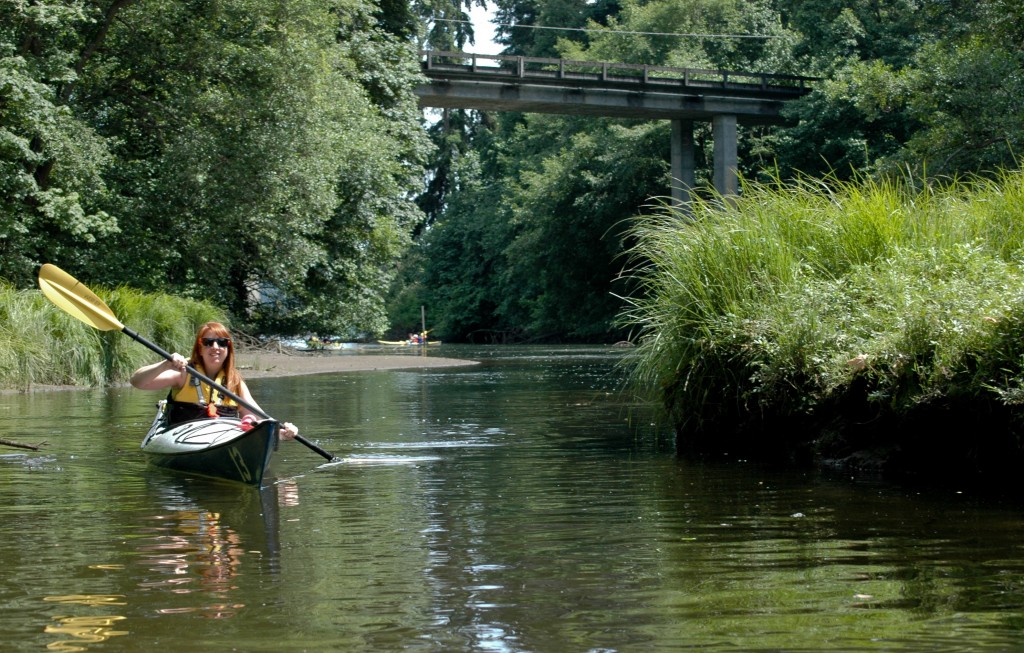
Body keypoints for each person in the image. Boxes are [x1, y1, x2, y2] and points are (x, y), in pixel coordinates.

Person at [130, 321, 297, 440]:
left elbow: (257, 415)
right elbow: (137, 381)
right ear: (200, 349)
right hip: (184, 437)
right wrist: (165, 364)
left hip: (223, 437)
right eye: (208, 342)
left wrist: (281, 431)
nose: (216, 347)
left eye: (222, 342)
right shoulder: (183, 373)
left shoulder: (234, 380)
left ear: (228, 349)